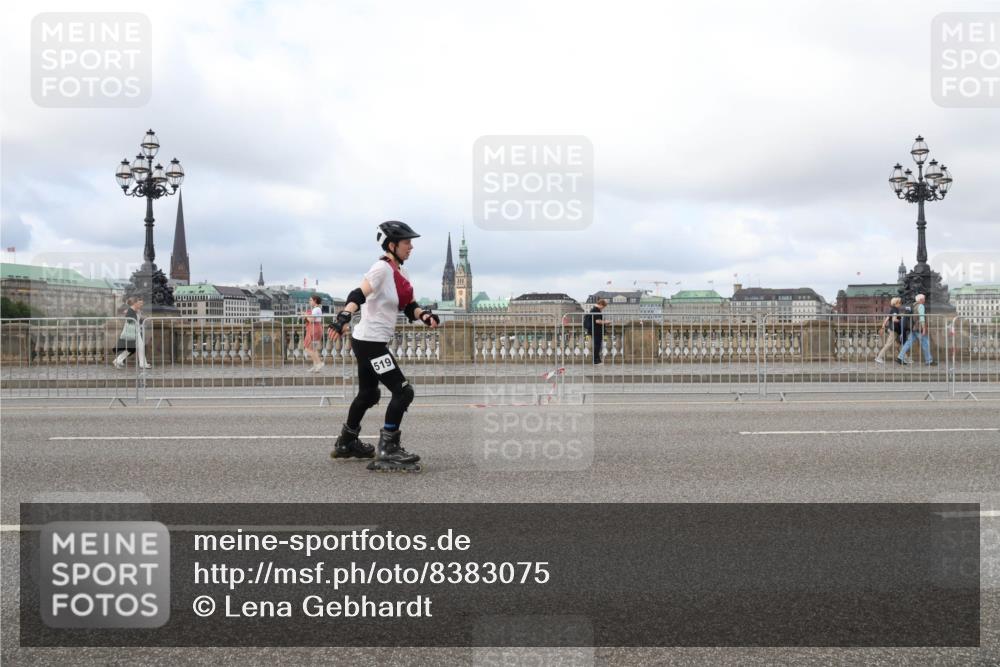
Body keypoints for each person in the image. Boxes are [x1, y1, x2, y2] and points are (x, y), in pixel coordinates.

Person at [327, 221, 440, 472]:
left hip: (370, 341)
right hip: (370, 344)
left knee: (369, 394)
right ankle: (388, 448)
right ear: (392, 245)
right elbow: (358, 293)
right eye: (407, 242)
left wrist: (424, 316)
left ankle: (347, 442)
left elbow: (409, 304)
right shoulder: (381, 268)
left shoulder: (401, 273)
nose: (411, 247)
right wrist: (344, 316)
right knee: (403, 392)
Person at [113, 296, 151, 369]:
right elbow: (130, 321)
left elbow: (137, 320)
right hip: (133, 332)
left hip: (136, 332)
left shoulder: (134, 310)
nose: (141, 305)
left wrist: (140, 315)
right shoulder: (130, 311)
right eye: (140, 303)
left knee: (139, 347)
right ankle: (118, 360)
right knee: (133, 349)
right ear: (135, 303)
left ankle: (142, 363)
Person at [898, 293, 936, 366]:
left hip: (913, 327)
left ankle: (900, 357)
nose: (924, 300)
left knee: (908, 343)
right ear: (921, 300)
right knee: (925, 343)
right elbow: (922, 318)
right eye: (924, 299)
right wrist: (924, 328)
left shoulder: (913, 305)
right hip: (919, 328)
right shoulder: (921, 306)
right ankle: (929, 361)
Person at [874, 297, 903, 364]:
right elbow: (894, 319)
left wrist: (883, 325)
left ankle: (903, 357)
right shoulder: (895, 310)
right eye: (899, 303)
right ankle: (879, 357)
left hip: (892, 329)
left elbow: (887, 319)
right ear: (896, 303)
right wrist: (901, 319)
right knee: (889, 344)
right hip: (895, 329)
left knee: (899, 344)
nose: (900, 304)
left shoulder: (892, 309)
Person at [302, 294, 325, 372]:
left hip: (314, 328)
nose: (309, 301)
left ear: (315, 301)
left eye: (310, 300)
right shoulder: (318, 309)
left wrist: (305, 315)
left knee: (308, 348)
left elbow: (311, 320)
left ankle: (319, 363)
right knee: (313, 349)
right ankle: (316, 367)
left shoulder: (316, 309)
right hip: (317, 328)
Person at [584, 299, 608, 364]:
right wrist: (606, 322)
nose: (603, 308)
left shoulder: (594, 309)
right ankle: (595, 360)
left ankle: (597, 359)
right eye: (603, 306)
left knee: (597, 345)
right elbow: (597, 321)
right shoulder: (596, 310)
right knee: (597, 345)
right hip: (596, 330)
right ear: (600, 304)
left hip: (594, 329)